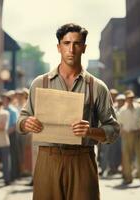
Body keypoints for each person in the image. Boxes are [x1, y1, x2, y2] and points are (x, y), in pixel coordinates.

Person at [17, 23, 120, 200]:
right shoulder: (40, 83)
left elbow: (113, 130)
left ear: (84, 48)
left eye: (77, 43)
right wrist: (26, 123)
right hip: (48, 160)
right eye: (66, 43)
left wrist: (91, 131)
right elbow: (22, 119)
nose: (71, 49)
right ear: (59, 47)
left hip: (82, 160)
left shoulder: (97, 87)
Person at [118, 90, 140, 186]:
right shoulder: (122, 110)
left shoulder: (139, 108)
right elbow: (119, 123)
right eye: (128, 98)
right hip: (127, 134)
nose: (130, 99)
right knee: (127, 157)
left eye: (132, 98)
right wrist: (122, 132)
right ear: (126, 99)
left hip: (137, 134)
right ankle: (128, 178)